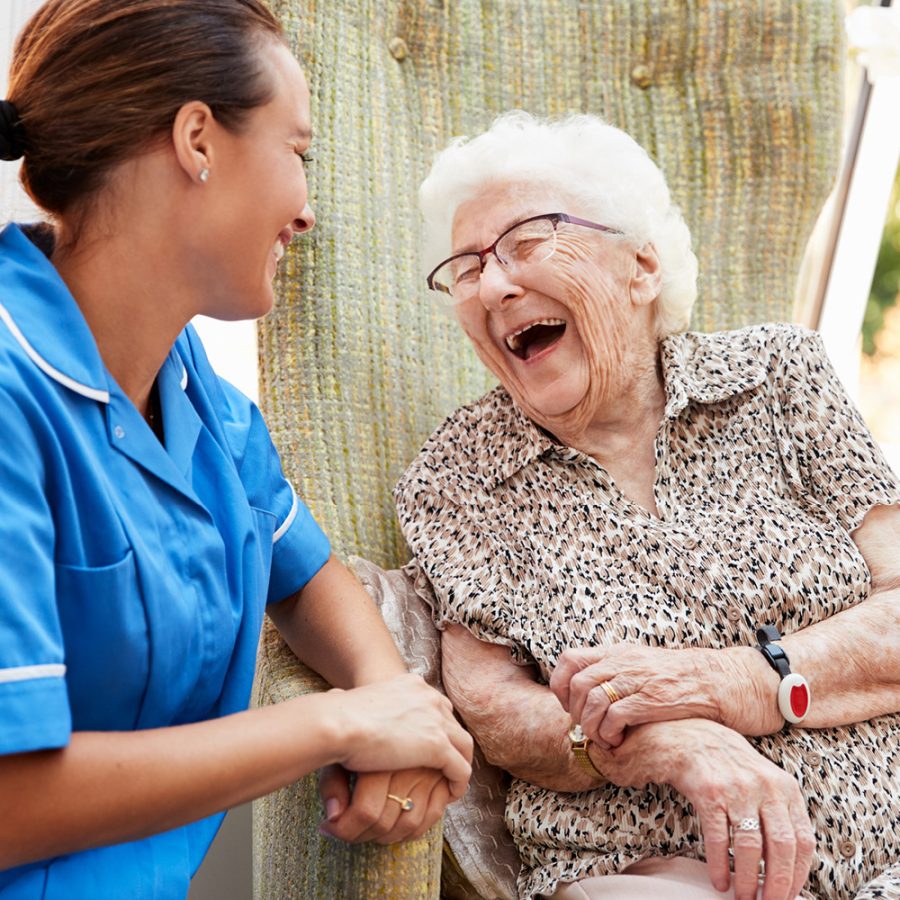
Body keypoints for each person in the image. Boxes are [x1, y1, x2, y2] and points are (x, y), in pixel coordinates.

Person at [0, 2, 473, 896]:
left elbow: (305, 572)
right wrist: (338, 727)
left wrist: (392, 696)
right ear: (197, 141)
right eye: (298, 153)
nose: (307, 211)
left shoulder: (193, 394)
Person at [394, 111, 900, 900]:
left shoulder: (779, 377)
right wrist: (676, 744)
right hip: (656, 867)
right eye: (467, 268)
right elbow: (495, 712)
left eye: (528, 242)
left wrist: (730, 684)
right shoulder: (459, 474)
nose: (494, 284)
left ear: (642, 266)